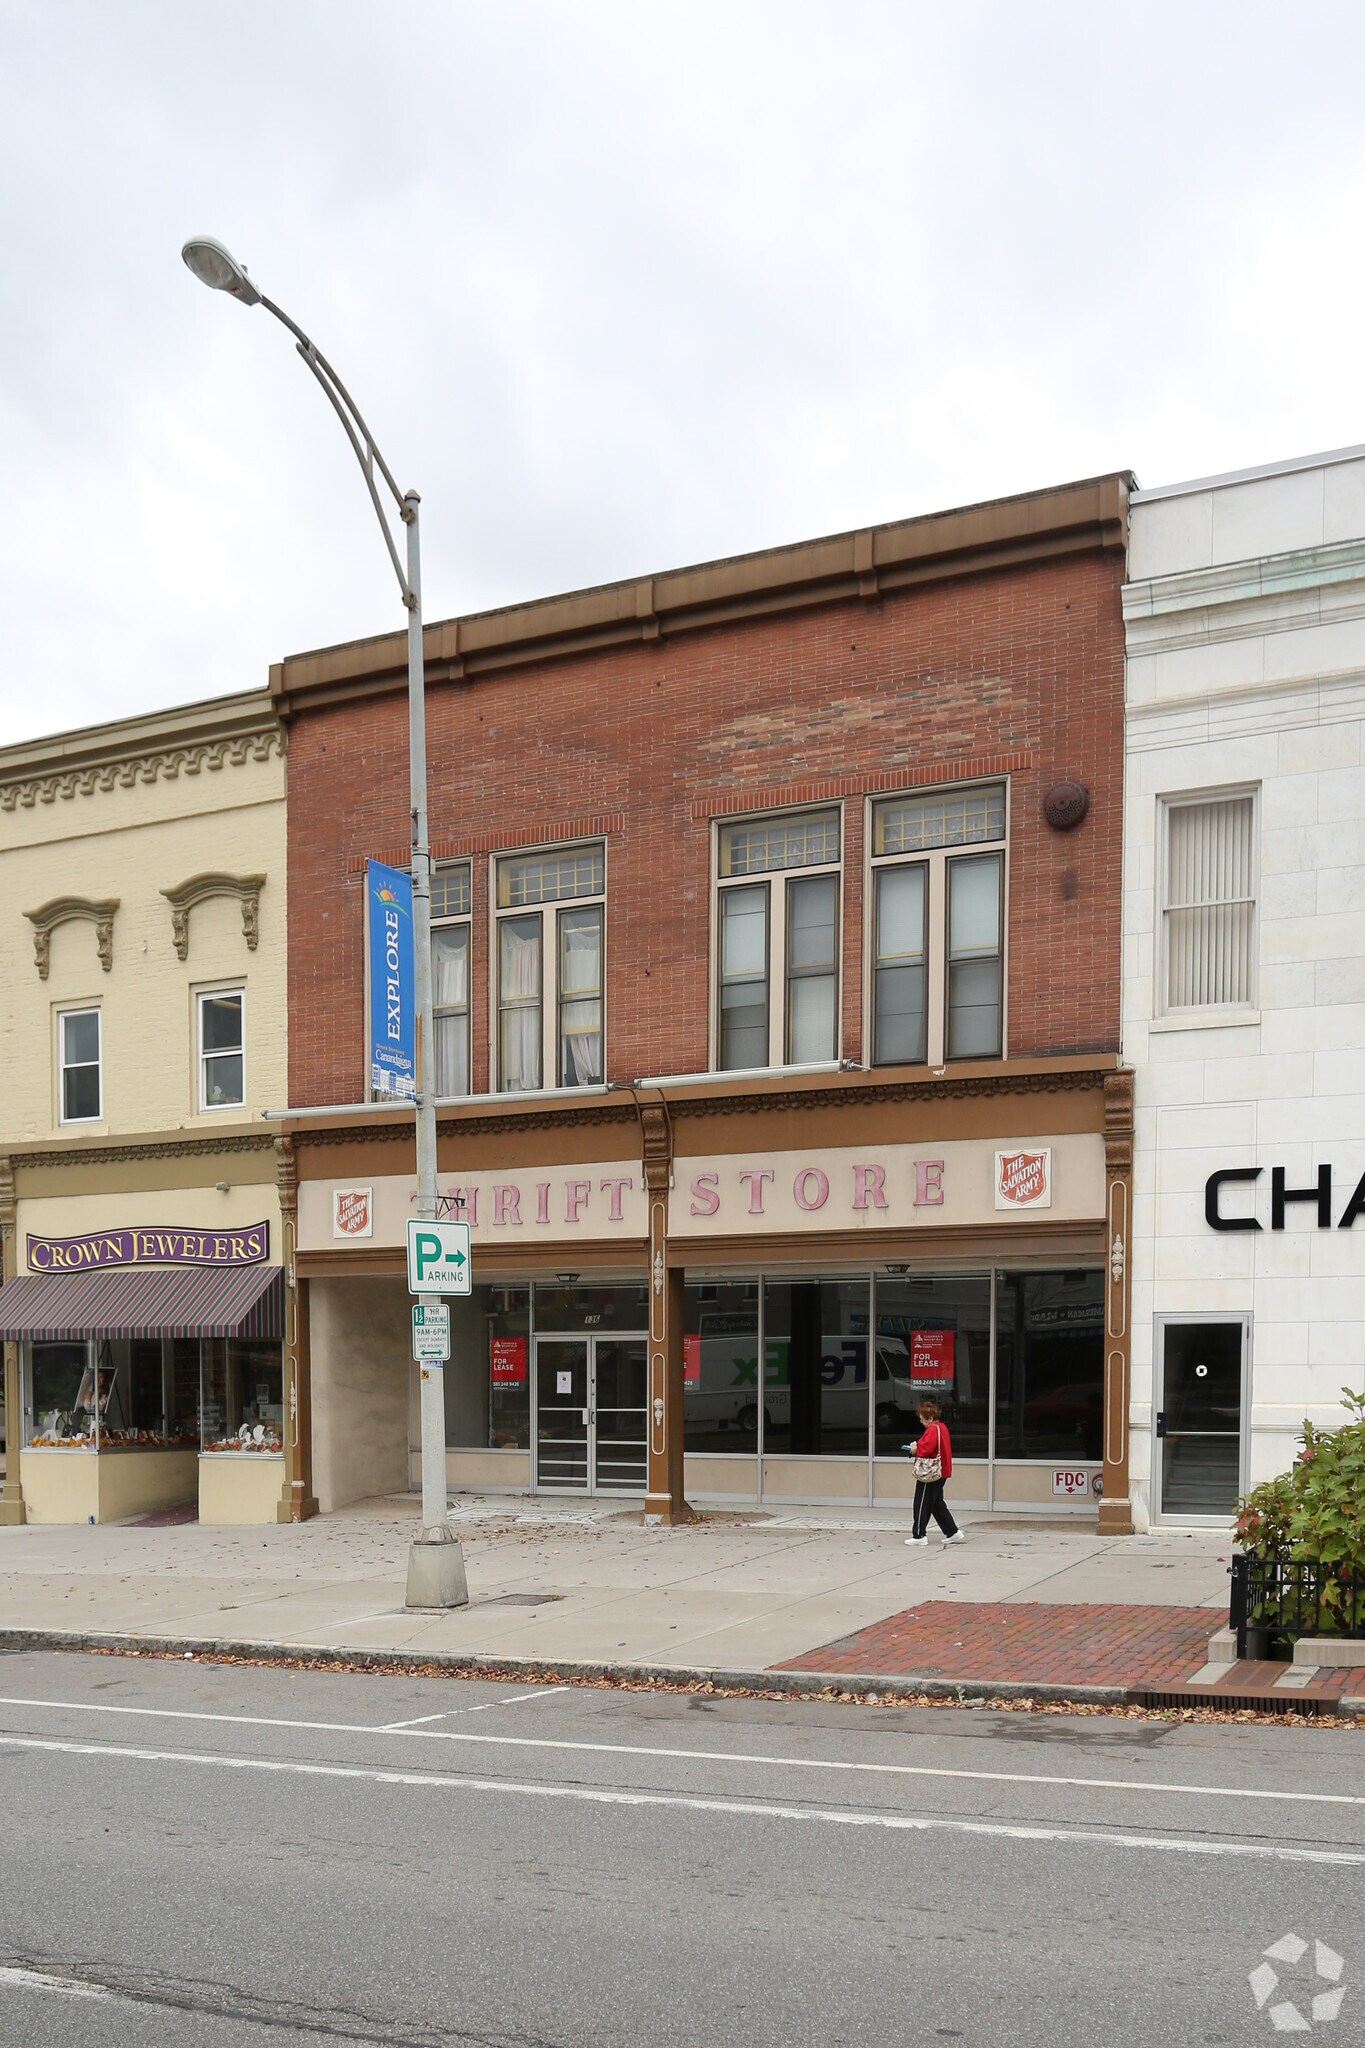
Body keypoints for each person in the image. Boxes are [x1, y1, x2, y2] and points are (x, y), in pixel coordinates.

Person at [905, 1397, 965, 1547]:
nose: (921, 1422)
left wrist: (914, 1450)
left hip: (930, 1472)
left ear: (930, 1418)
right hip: (941, 1471)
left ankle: (919, 1535)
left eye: (922, 1419)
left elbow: (925, 1449)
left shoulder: (932, 1429)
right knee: (936, 1503)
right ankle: (952, 1532)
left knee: (922, 1503)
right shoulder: (942, 1427)